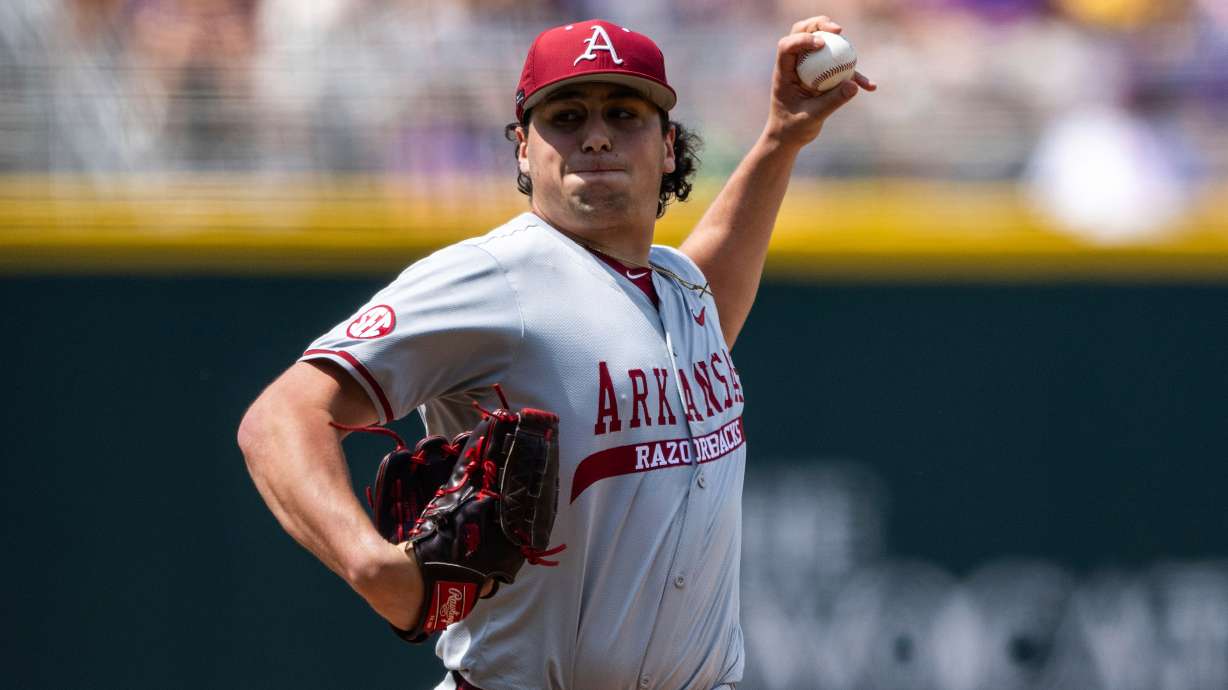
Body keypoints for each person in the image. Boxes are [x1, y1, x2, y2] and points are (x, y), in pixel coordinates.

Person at [238, 15, 874, 690]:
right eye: (565, 116)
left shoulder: (679, 287)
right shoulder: (496, 278)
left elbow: (701, 297)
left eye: (624, 113)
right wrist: (369, 563)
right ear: (522, 148)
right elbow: (280, 417)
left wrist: (781, 136)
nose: (595, 134)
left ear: (667, 147)